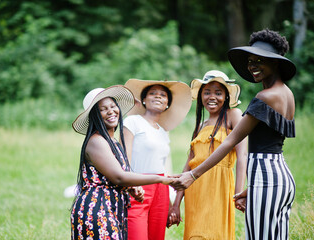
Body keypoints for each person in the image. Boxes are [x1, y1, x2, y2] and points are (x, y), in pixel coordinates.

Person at [170, 29, 296, 240]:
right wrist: (253, 185)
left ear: (275, 62)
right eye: (250, 60)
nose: (252, 65)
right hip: (276, 177)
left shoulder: (265, 96)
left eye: (259, 60)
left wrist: (192, 175)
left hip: (267, 178)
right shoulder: (286, 93)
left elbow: (230, 141)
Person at [70, 85, 173, 240]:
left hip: (112, 208)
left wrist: (130, 188)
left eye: (113, 106)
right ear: (94, 115)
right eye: (103, 109)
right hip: (97, 209)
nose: (111, 111)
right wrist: (161, 179)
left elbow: (113, 177)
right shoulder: (96, 141)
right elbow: (119, 176)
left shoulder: (112, 142)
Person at [167, 70, 247, 239]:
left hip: (219, 187)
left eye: (218, 93)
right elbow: (189, 164)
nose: (212, 97)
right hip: (196, 190)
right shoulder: (201, 126)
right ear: (201, 95)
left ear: (226, 96)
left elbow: (243, 156)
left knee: (213, 233)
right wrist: (176, 204)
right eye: (207, 92)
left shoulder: (233, 115)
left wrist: (238, 193)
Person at [122, 79, 192, 240]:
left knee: (156, 236)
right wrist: (132, 184)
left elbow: (164, 166)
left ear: (167, 103)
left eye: (163, 95)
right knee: (136, 234)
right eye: (152, 93)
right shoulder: (132, 122)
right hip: (137, 185)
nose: (158, 97)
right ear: (144, 100)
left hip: (161, 189)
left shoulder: (163, 131)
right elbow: (124, 158)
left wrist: (168, 202)